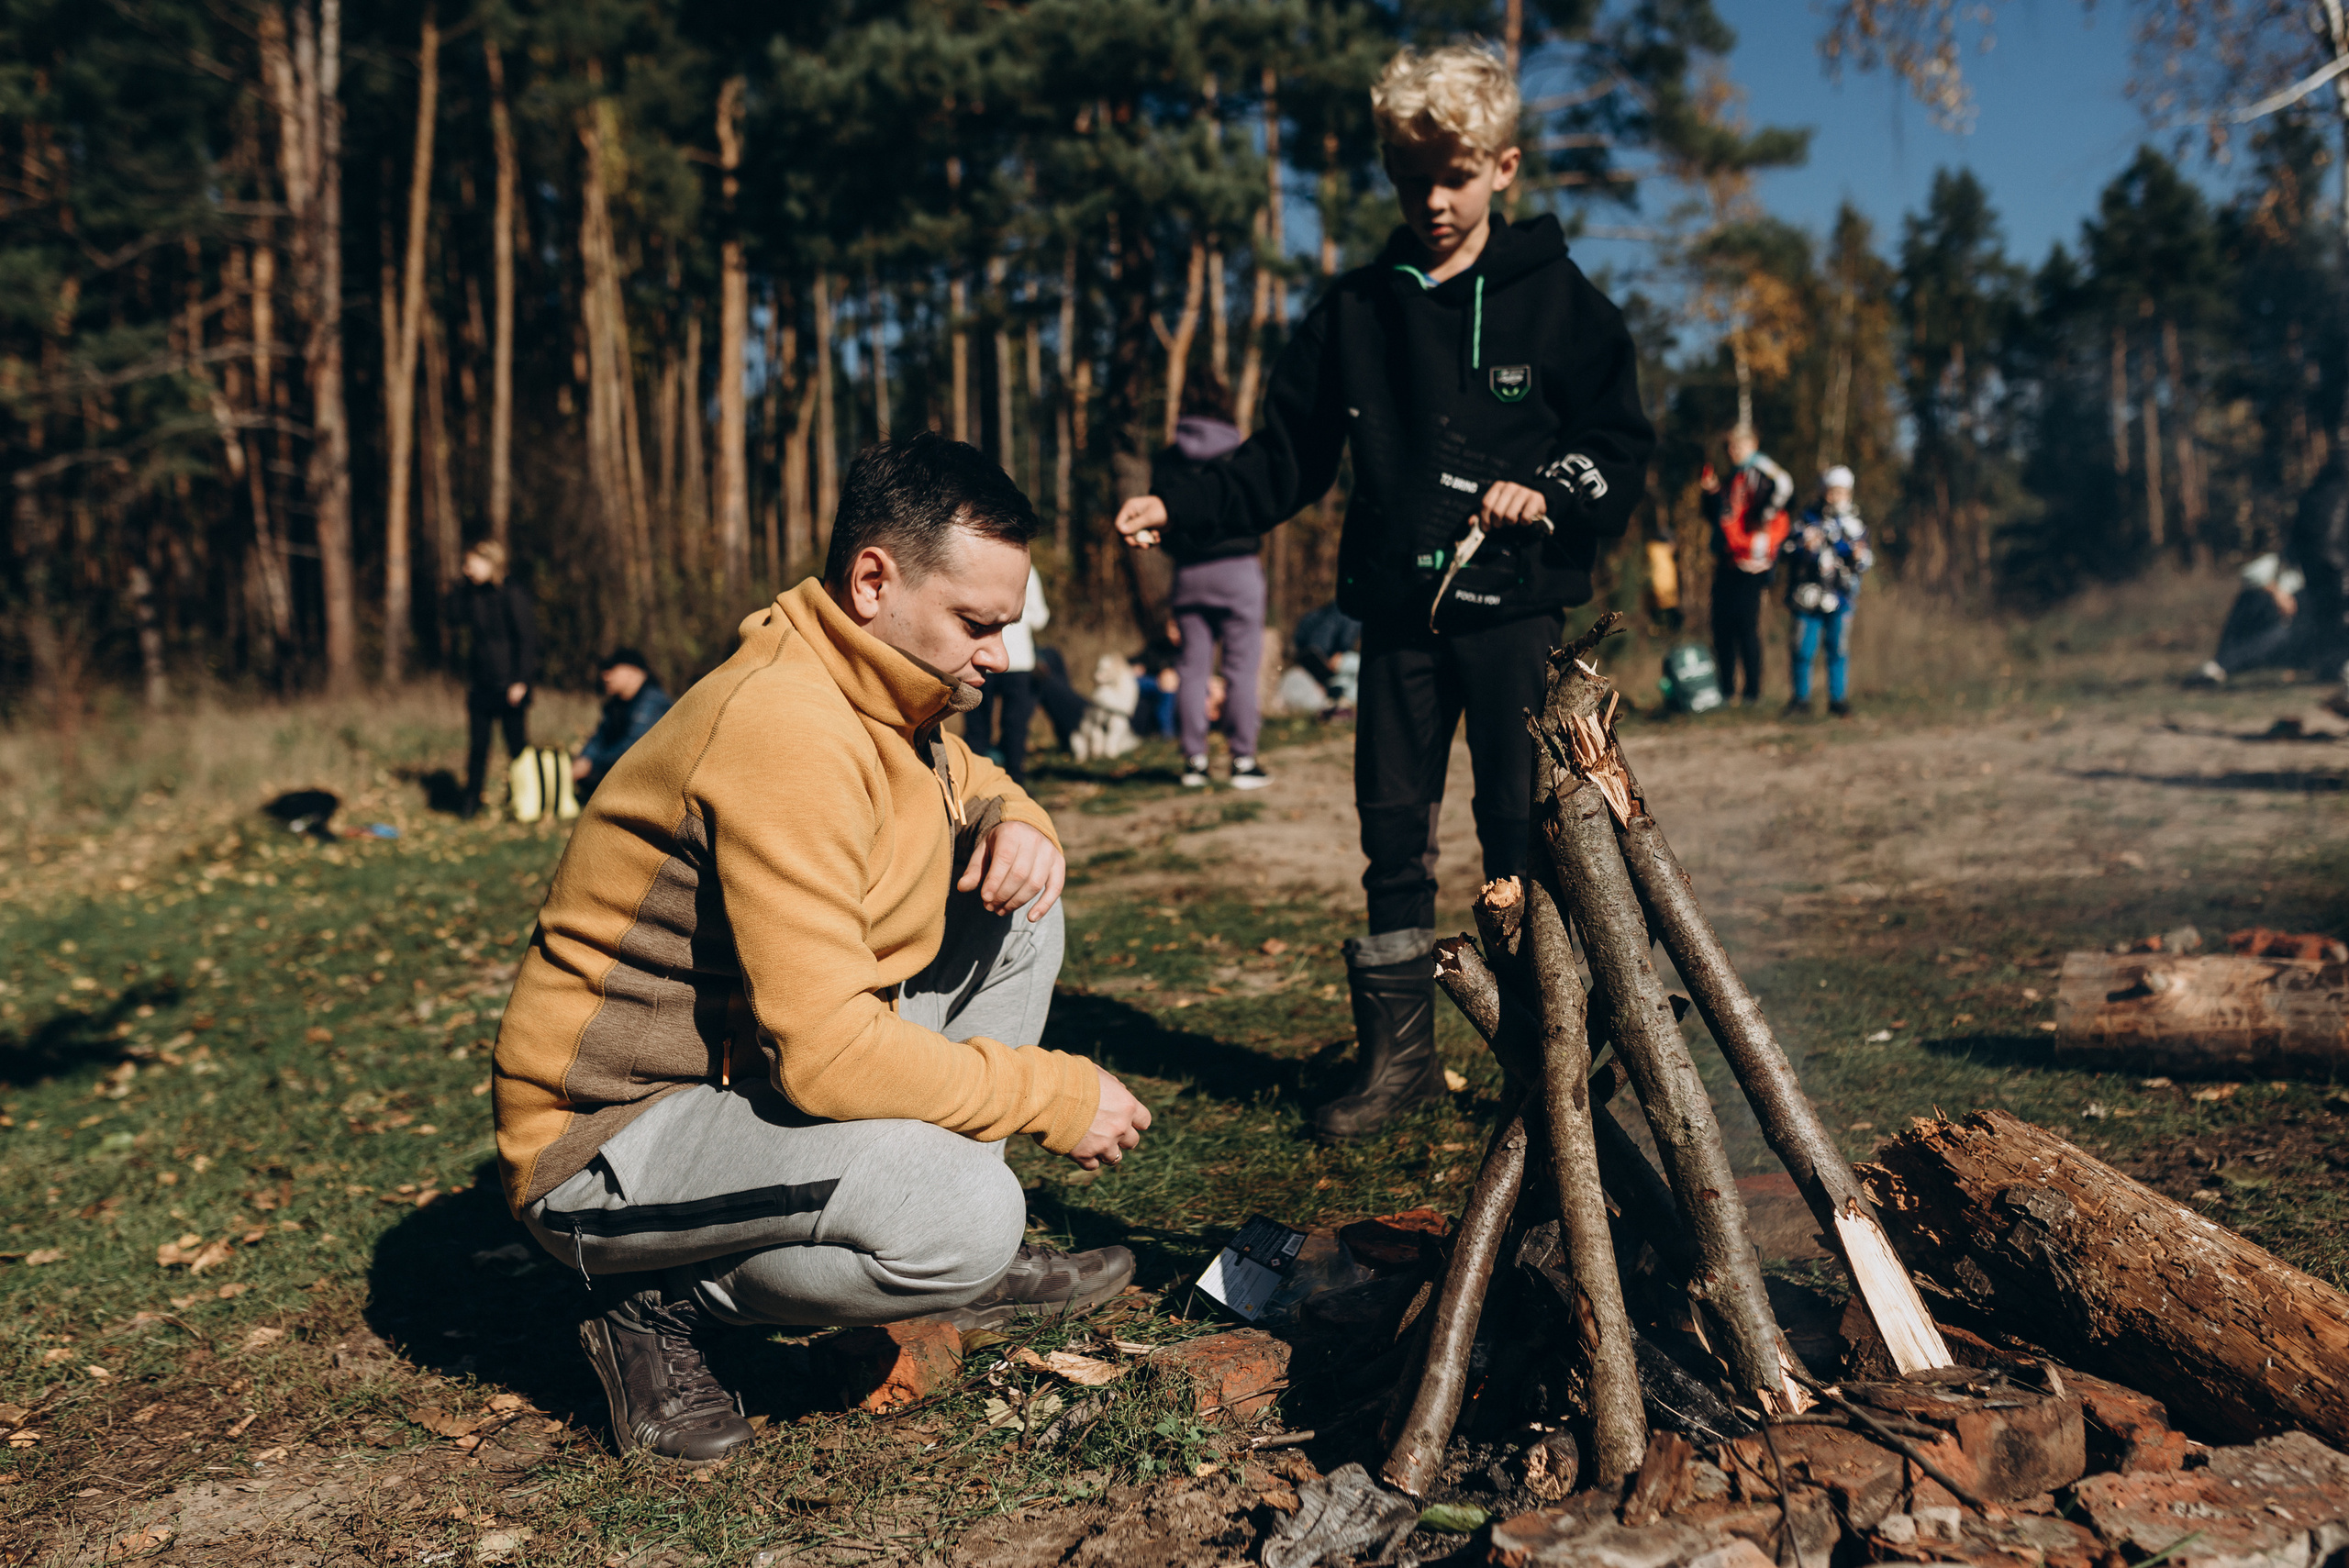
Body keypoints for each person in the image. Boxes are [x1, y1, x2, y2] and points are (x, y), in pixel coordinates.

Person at [493, 433, 1152, 1463]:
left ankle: (939, 1261)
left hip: (742, 1083)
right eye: (978, 623)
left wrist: (1019, 818)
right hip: (608, 1141)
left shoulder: (888, 687)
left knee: (1022, 904)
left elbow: (966, 775)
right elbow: (830, 1055)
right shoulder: (785, 725)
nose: (999, 654)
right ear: (873, 580)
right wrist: (1051, 1094)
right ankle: (654, 1300)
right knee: (969, 1212)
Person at [1112, 43, 1653, 1140]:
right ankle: (1396, 1066)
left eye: (1454, 176)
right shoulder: (1355, 311)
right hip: (1396, 622)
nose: (1434, 201)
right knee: (1389, 835)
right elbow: (1284, 459)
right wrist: (1183, 506)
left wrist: (1547, 487)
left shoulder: (1564, 307)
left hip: (1514, 617)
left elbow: (1619, 445)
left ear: (1502, 167)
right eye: (1412, 181)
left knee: (1521, 830)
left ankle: (1542, 1066)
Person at [1158, 373, 1273, 790]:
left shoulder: (1169, 459)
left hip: (1189, 574)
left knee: (1193, 668)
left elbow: (1162, 519)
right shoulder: (1243, 453)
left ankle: (1195, 762)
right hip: (1240, 569)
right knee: (1241, 669)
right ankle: (1243, 761)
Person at [1700, 427, 1790, 706]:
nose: (1731, 452)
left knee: (1746, 626)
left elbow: (1784, 488)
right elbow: (1718, 516)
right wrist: (1711, 493)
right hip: (1727, 559)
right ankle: (1727, 690)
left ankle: (1752, 692)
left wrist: (1764, 514)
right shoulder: (1733, 476)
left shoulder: (1760, 470)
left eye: (1736, 446)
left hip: (1752, 563)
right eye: (1729, 447)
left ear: (1752, 443)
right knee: (1722, 626)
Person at [1781, 465, 1872, 717]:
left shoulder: (1856, 526)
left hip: (1841, 598)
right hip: (1806, 598)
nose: (1835, 497)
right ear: (1823, 491)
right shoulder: (1806, 520)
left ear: (1849, 493)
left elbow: (1863, 561)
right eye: (1831, 491)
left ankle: (1838, 700)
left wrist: (1853, 555)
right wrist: (1805, 548)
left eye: (1841, 492)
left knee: (1838, 650)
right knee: (1802, 649)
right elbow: (1788, 549)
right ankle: (1801, 700)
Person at [460, 540, 538, 819]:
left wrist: (521, 680)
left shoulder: (513, 592)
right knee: (478, 747)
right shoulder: (472, 595)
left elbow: (526, 639)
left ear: (490, 562)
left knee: (517, 747)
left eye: (472, 563)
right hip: (481, 684)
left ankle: (527, 801)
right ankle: (471, 803)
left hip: (510, 684)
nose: (466, 570)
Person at [966, 566, 1050, 784]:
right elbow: (1040, 617)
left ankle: (973, 786)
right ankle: (1016, 783)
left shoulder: (974, 563)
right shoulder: (1027, 568)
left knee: (977, 729)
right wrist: (1017, 620)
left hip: (979, 658)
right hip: (1018, 660)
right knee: (1015, 727)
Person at [572, 648, 673, 801]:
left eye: (612, 669)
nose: (605, 676)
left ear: (633, 671)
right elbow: (600, 737)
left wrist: (592, 764)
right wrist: (585, 758)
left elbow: (634, 745)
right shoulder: (615, 705)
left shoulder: (653, 702)